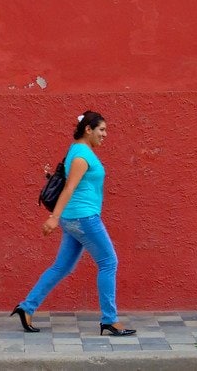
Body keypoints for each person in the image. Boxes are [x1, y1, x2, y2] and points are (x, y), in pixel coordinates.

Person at [11, 110, 136, 337]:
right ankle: (110, 320)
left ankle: (26, 307)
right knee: (109, 263)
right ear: (88, 129)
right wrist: (53, 217)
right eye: (102, 130)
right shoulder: (81, 155)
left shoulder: (79, 150)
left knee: (62, 267)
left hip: (75, 218)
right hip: (83, 218)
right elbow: (69, 188)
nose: (105, 135)